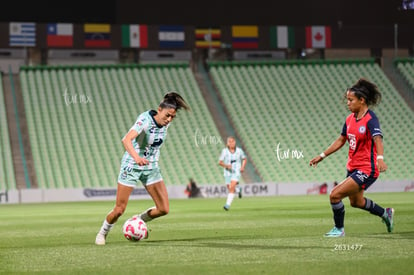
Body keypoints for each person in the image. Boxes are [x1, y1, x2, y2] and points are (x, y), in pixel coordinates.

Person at [95, 92, 190, 245]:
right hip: (132, 165)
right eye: (167, 115)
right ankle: (102, 233)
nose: (169, 120)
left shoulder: (166, 121)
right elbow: (126, 140)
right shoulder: (144, 120)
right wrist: (136, 158)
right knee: (119, 209)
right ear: (159, 110)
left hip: (151, 167)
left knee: (163, 209)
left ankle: (137, 221)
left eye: (172, 117)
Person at [309, 78, 394, 237]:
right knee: (356, 202)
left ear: (361, 100)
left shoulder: (370, 119)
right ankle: (385, 213)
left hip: (367, 169)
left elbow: (378, 138)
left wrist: (380, 158)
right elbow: (342, 139)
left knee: (334, 195)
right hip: (353, 167)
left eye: (350, 100)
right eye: (347, 100)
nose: (348, 103)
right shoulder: (349, 119)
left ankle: (339, 229)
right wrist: (322, 156)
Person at [218, 136, 247, 211]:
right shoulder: (224, 151)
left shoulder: (239, 151)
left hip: (236, 171)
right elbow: (220, 162)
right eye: (229, 142)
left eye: (233, 141)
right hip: (227, 171)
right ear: (227, 143)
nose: (231, 143)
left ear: (235, 142)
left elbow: (244, 159)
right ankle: (238, 190)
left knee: (231, 187)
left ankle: (227, 205)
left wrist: (242, 167)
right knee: (229, 187)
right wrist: (226, 165)